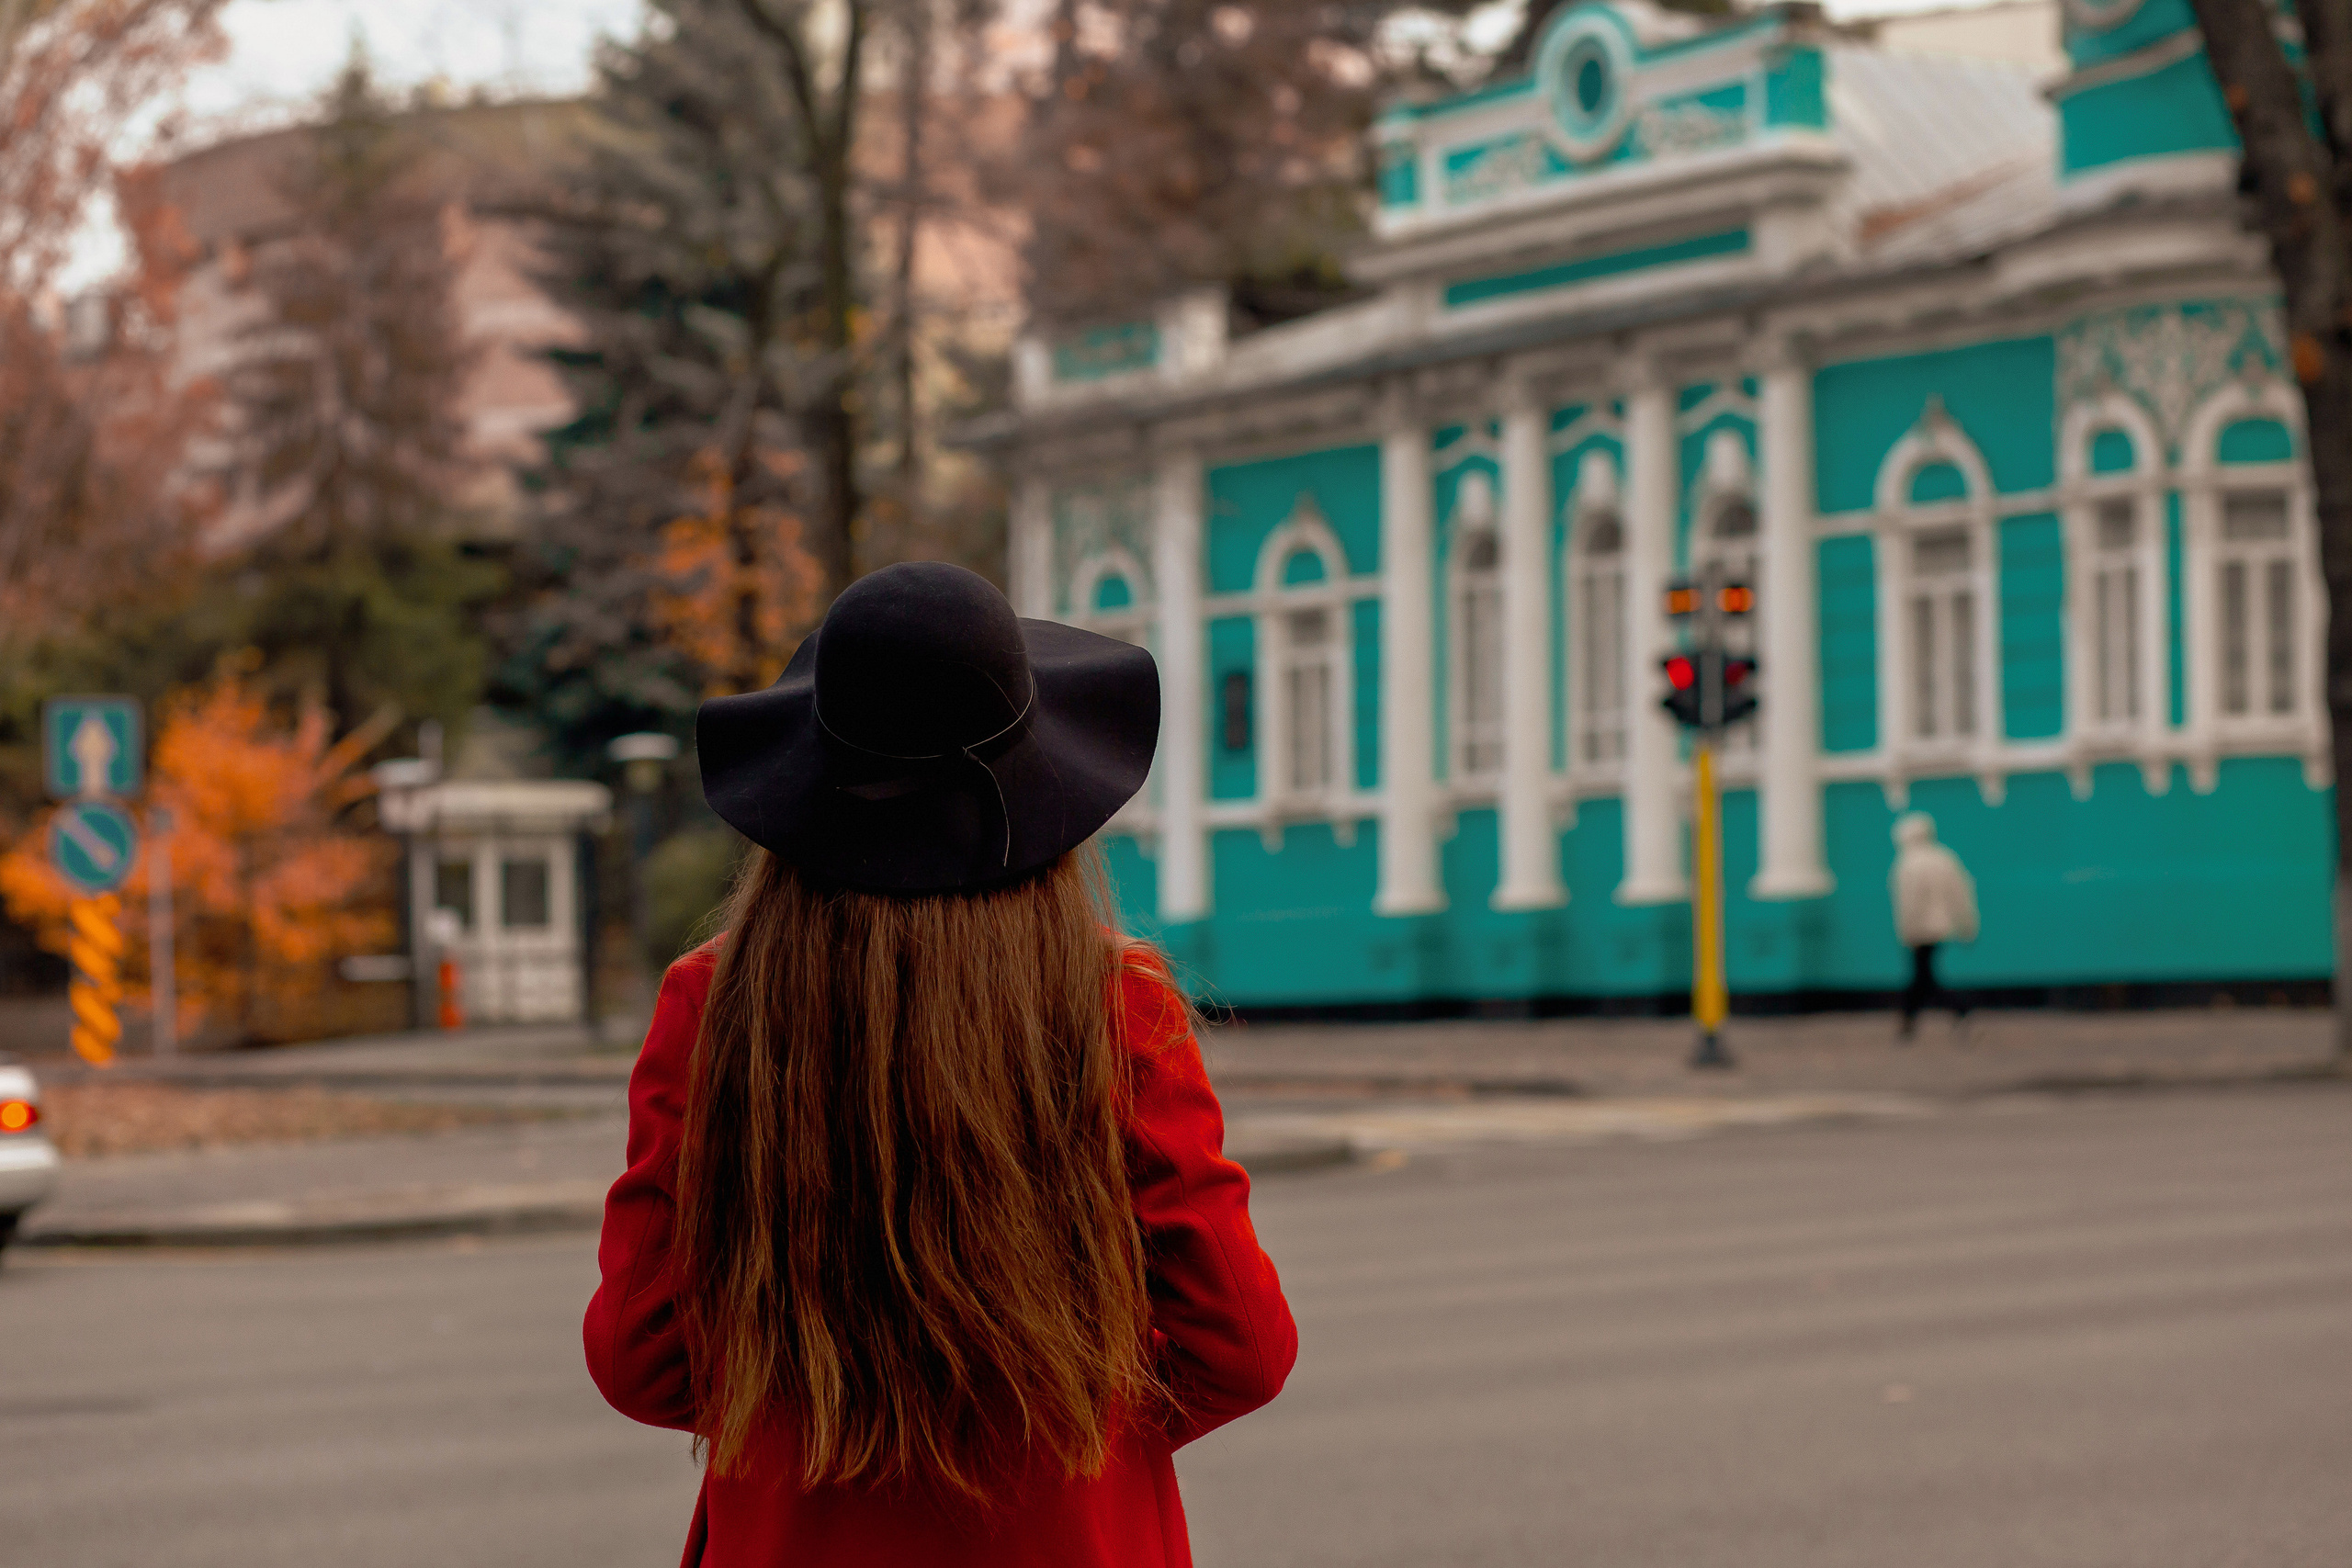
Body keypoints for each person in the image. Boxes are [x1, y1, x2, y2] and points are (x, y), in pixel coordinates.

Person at [584, 562, 1295, 1568]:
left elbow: (640, 1358)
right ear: (1040, 783)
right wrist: (1054, 1432)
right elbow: (1240, 1348)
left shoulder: (717, 1006)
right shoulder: (1114, 1004)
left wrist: (814, 1419)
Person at [1890, 811, 1979, 1039]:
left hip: (1920, 930)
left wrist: (1906, 930)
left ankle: (1959, 1010)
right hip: (1941, 928)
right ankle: (1909, 1020)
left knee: (1924, 978)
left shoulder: (1908, 864)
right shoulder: (1945, 858)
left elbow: (1910, 902)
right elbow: (1961, 893)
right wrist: (1967, 925)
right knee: (1923, 976)